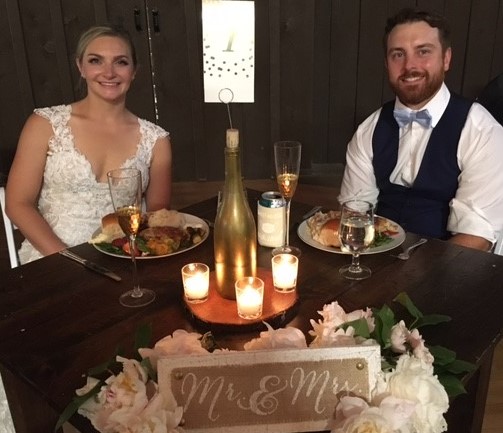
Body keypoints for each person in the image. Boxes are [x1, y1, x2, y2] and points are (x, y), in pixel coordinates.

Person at [338, 8, 503, 251]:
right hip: (380, 263)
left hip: (454, 270)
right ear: (386, 63)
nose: (410, 66)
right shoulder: (369, 130)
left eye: (423, 51)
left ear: (446, 59)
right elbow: (354, 212)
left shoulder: (482, 132)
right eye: (398, 55)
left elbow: (476, 238)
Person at [5, 24, 172, 264]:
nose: (109, 72)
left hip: (124, 258)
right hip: (51, 257)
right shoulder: (44, 124)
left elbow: (157, 217)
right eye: (96, 61)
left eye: (121, 62)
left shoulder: (156, 140)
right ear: (80, 67)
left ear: (134, 71)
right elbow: (18, 204)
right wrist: (71, 260)